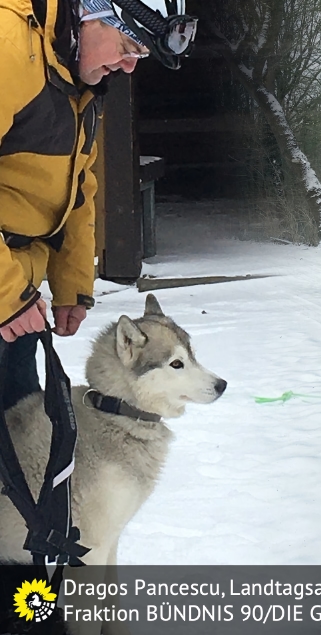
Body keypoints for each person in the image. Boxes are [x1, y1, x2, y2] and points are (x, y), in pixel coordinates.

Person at [0, 0, 197, 411]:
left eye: (138, 56)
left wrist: (70, 284)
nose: (128, 67)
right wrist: (6, 295)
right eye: (127, 46)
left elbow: (77, 189)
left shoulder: (79, 84)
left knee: (19, 449)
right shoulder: (9, 46)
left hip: (18, 299)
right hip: (8, 296)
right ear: (91, 12)